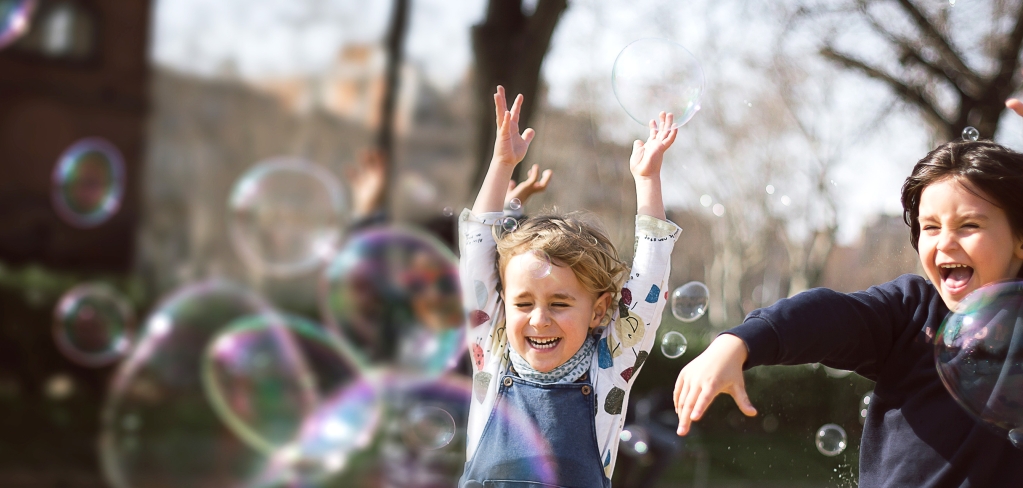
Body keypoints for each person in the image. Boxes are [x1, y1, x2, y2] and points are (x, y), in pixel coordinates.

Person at [672, 107, 1023, 485]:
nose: (945, 243)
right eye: (931, 227)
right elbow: (831, 315)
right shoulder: (910, 311)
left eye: (969, 225)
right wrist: (740, 342)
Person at [458, 86, 681, 487]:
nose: (539, 319)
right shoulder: (492, 351)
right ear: (502, 305)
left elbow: (648, 285)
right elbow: (476, 258)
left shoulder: (609, 367)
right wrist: (501, 164)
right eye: (523, 303)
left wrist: (647, 181)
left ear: (599, 310)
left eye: (560, 303)